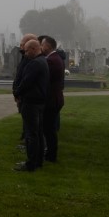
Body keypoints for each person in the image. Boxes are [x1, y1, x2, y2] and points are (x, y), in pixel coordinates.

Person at [12, 38, 48, 171]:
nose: (25, 54)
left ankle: (31, 163)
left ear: (33, 49)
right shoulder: (43, 60)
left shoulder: (35, 63)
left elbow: (26, 82)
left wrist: (16, 93)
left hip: (31, 102)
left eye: (27, 51)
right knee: (38, 132)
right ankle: (38, 161)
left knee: (31, 134)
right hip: (40, 101)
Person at [39, 35, 65, 163]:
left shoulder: (52, 60)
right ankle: (50, 152)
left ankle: (51, 155)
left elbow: (44, 78)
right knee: (49, 128)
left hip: (51, 100)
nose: (40, 47)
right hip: (54, 98)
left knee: (49, 129)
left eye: (42, 45)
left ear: (48, 46)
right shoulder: (54, 58)